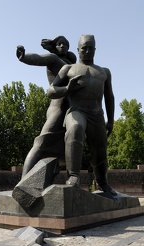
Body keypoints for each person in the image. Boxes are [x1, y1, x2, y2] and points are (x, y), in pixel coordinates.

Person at [47, 34, 116, 195]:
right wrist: (67, 89)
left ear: (95, 50)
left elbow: (110, 97)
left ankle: (103, 182)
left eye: (90, 48)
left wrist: (111, 120)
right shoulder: (68, 69)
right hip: (76, 111)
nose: (87, 51)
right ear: (78, 49)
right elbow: (51, 91)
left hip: (97, 115)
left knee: (100, 148)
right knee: (75, 129)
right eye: (84, 47)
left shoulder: (104, 72)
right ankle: (73, 176)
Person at [16, 36, 76, 177]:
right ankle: (24, 179)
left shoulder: (72, 63)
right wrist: (24, 57)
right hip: (58, 105)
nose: (63, 46)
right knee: (42, 142)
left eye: (65, 44)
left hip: (71, 108)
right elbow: (38, 58)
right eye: (59, 44)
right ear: (55, 47)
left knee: (71, 144)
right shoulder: (53, 59)